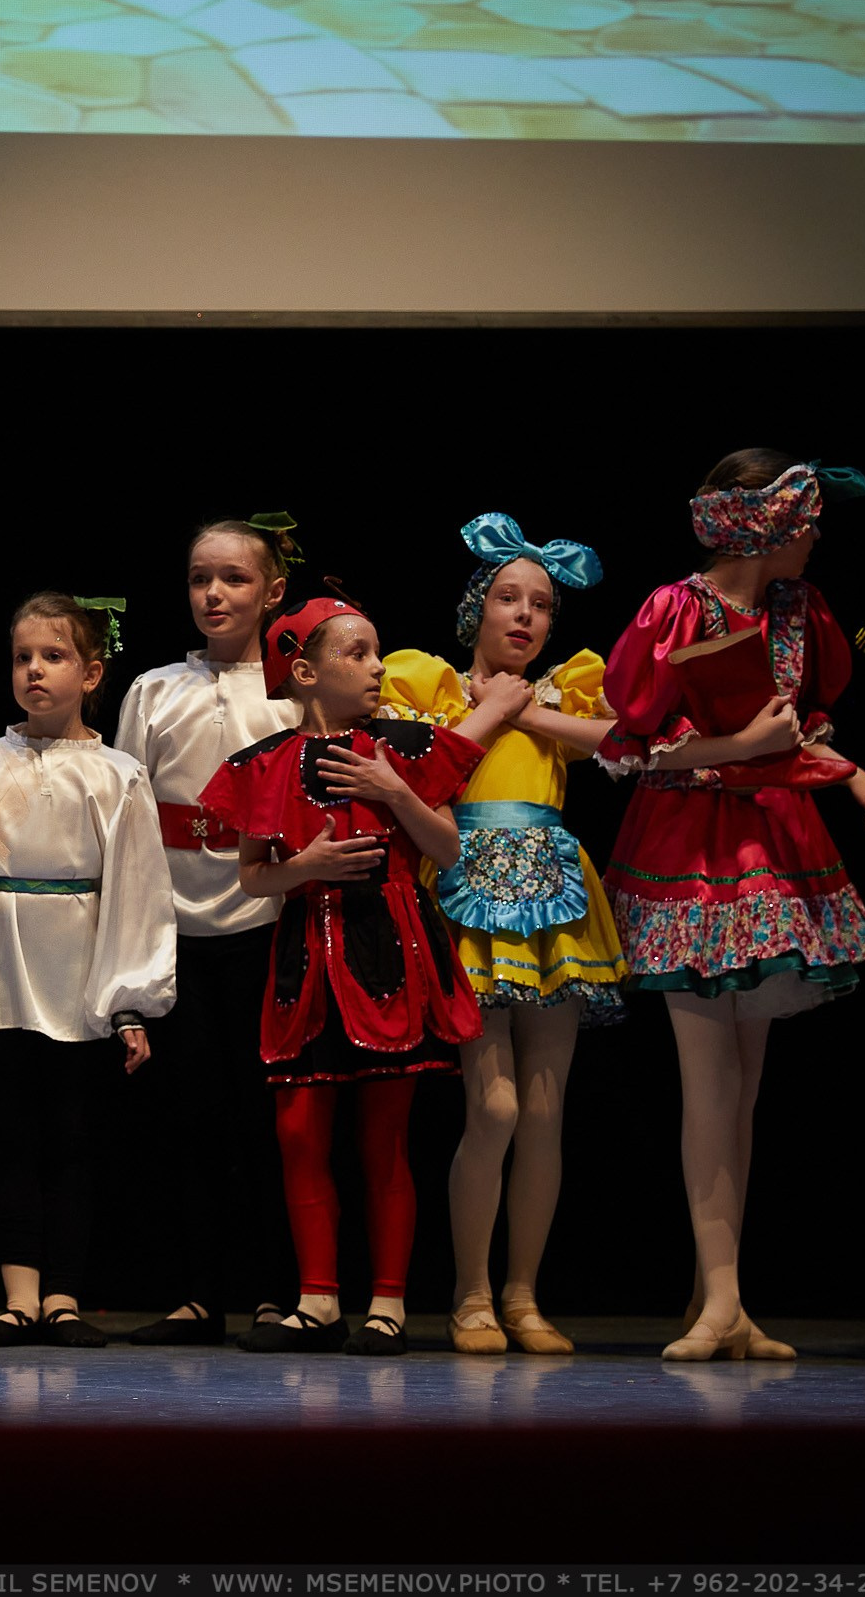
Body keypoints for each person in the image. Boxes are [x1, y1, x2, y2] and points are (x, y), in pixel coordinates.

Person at [597, 451, 865, 1362]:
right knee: (709, 1082)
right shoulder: (676, 609)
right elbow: (632, 742)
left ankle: (721, 1296)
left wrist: (847, 772)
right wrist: (738, 743)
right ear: (763, 527)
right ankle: (721, 1299)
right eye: (805, 521)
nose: (816, 536)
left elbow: (802, 729)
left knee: (746, 1090)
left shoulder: (801, 612)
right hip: (689, 846)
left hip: (772, 839)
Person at [200, 596, 484, 1357]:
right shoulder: (264, 765)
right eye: (357, 653)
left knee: (385, 1135)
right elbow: (253, 878)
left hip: (390, 944)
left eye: (376, 651)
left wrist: (393, 790)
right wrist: (307, 865)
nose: (377, 667)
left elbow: (448, 850)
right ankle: (318, 1300)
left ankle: (387, 1304)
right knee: (298, 1132)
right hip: (306, 953)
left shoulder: (405, 748)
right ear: (304, 672)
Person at [0, 593, 176, 1347]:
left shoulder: (118, 774)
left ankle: (64, 1299)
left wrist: (128, 1001)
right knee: (11, 1132)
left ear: (92, 673)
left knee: (72, 1135)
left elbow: (138, 891)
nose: (35, 671)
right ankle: (20, 1299)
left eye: (53, 656)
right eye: (23, 657)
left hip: (78, 966)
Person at [378, 514, 622, 1356]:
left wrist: (525, 710)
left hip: (553, 897)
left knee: (545, 1111)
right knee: (496, 1103)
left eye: (542, 604)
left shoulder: (564, 689)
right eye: (509, 598)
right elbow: (412, 768)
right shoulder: (432, 683)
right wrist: (488, 709)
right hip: (465, 887)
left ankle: (522, 1295)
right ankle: (470, 1291)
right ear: (476, 607)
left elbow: (620, 742)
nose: (525, 615)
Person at [112, 516, 302, 1346]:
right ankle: (195, 1292)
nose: (213, 593)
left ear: (274, 591)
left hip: (270, 924)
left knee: (267, 1118)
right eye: (199, 578)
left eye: (233, 578)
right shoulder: (153, 690)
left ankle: (275, 1289)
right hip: (177, 933)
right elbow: (126, 818)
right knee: (189, 1117)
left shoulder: (294, 692)